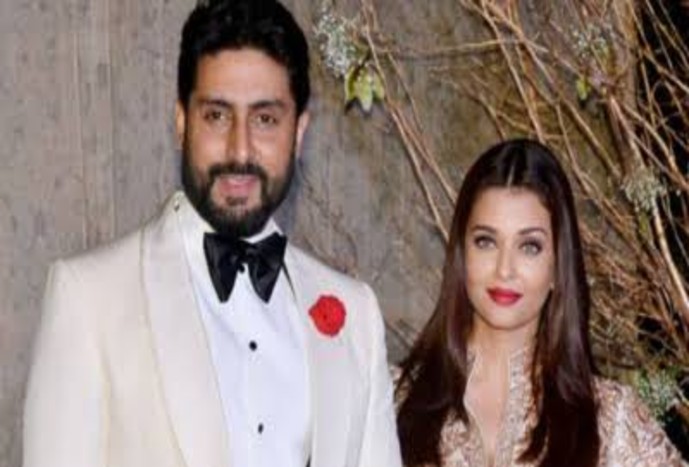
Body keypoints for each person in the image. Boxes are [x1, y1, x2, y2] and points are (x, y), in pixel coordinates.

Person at [23, 1, 402, 466]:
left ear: (299, 132)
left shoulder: (356, 316)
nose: (239, 150)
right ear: (182, 122)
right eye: (217, 116)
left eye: (265, 119)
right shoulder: (89, 298)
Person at [395, 139, 686, 466]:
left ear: (557, 266)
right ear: (462, 255)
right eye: (486, 241)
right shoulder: (391, 399)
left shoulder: (612, 420)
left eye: (529, 247)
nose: (504, 269)